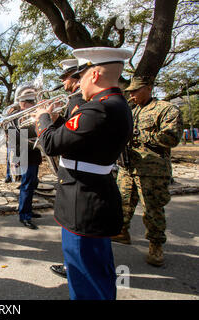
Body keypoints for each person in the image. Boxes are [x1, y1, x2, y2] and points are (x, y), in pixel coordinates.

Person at [34, 47, 133, 300]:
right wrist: (56, 121)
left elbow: (51, 144)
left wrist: (43, 119)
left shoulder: (98, 109)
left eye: (83, 74)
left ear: (96, 74)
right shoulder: (114, 104)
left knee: (84, 279)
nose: (80, 81)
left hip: (83, 200)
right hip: (93, 194)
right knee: (97, 274)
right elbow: (78, 141)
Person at [112, 76, 183, 267]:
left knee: (152, 209)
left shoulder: (166, 109)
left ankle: (156, 245)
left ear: (149, 88)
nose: (132, 95)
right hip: (128, 167)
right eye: (130, 92)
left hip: (152, 170)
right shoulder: (131, 110)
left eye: (136, 91)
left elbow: (171, 137)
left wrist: (139, 135)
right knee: (123, 203)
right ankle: (122, 232)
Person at [49, 58, 87, 279]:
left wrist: (46, 122)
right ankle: (73, 264)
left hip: (77, 170)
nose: (63, 82)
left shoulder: (80, 100)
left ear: (75, 77)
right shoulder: (75, 99)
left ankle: (75, 267)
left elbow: (63, 139)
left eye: (65, 78)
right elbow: (69, 126)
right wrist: (56, 119)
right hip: (72, 168)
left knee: (76, 225)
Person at [8, 89, 42, 229]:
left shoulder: (31, 114)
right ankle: (24, 215)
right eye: (30, 102)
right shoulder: (15, 116)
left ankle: (28, 209)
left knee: (32, 184)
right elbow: (14, 136)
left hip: (33, 154)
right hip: (24, 154)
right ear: (22, 103)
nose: (33, 104)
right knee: (27, 185)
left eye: (33, 101)